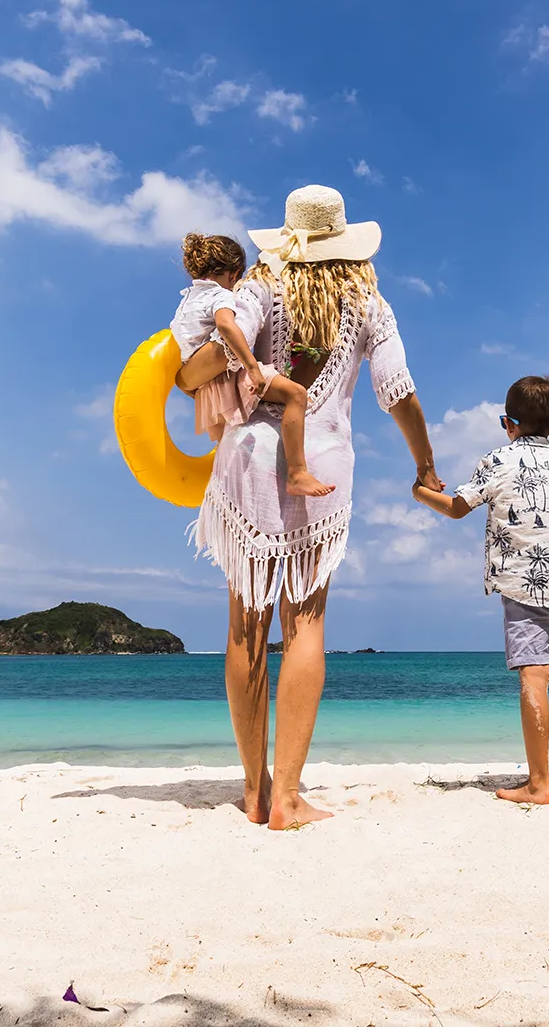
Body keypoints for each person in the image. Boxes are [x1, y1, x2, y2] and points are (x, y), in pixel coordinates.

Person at [193, 186, 443, 830]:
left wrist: (232, 372)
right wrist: (425, 466)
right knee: (305, 625)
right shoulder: (369, 304)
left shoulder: (258, 284)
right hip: (322, 467)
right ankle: (289, 798)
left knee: (244, 627)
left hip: (247, 458)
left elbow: (216, 355)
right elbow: (399, 392)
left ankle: (254, 791)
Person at [412, 375, 549, 805]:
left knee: (535, 675)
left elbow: (459, 508)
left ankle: (537, 785)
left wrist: (422, 494)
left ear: (506, 422)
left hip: (522, 586)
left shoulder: (497, 461)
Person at [171, 233, 334, 498]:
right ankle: (297, 473)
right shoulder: (219, 296)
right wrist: (253, 368)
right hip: (230, 377)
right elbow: (226, 326)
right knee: (296, 394)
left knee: (229, 445)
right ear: (235, 274)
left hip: (206, 389)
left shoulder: (186, 302)